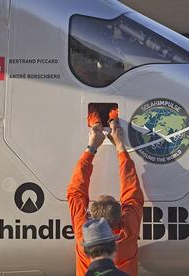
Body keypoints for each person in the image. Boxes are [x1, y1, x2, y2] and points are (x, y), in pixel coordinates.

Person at [67, 106, 144, 276]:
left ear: (91, 220)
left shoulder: (84, 237)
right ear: (120, 220)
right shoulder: (126, 235)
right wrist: (119, 144)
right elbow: (132, 195)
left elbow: (76, 194)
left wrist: (93, 145)